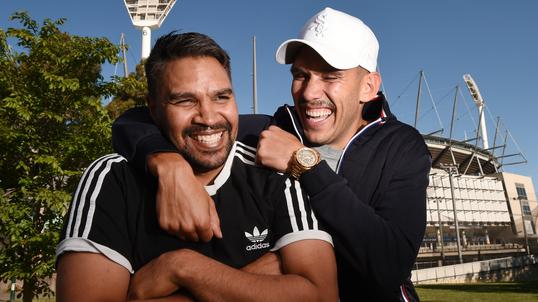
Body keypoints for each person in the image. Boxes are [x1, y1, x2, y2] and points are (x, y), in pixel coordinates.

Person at [113, 7, 432, 301]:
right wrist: (169, 166)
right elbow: (133, 121)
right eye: (300, 75)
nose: (308, 93)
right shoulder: (269, 129)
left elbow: (388, 266)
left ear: (368, 86)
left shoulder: (402, 147)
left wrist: (306, 166)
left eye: (330, 76)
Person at [56, 32, 337, 302]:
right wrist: (251, 285)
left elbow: (322, 295)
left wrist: (185, 268)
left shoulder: (274, 172)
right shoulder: (111, 178)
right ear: (153, 110)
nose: (208, 117)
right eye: (185, 100)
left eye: (221, 97)